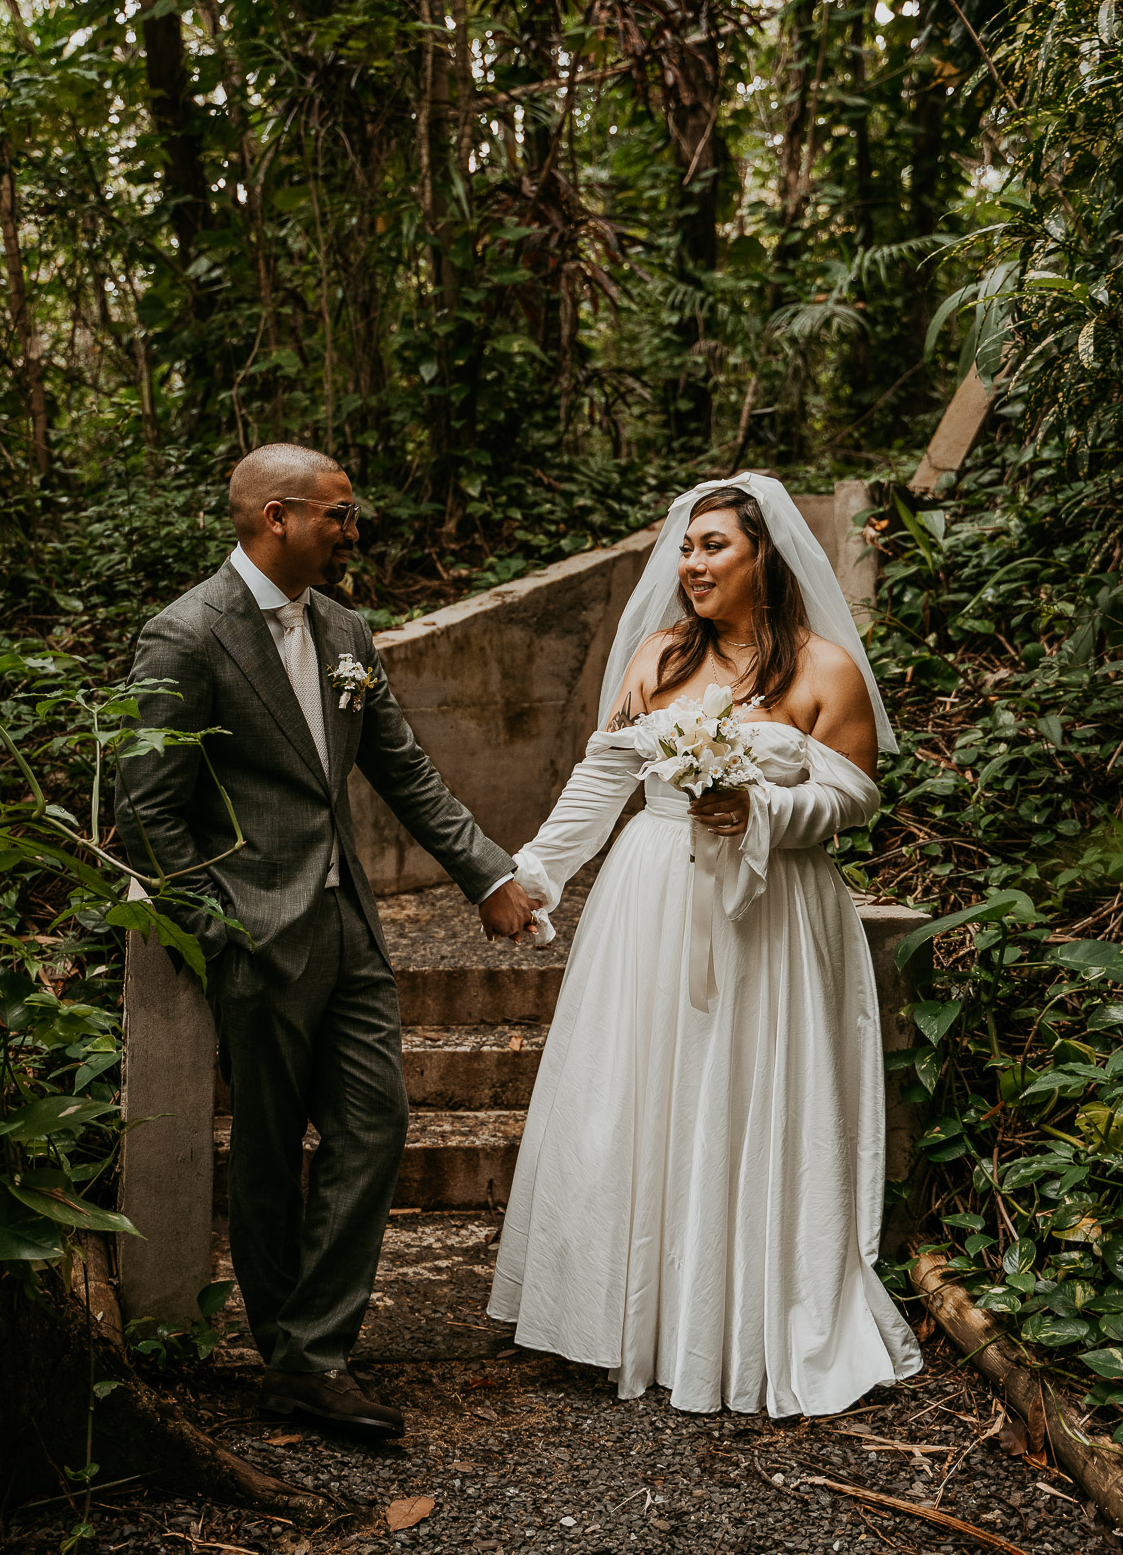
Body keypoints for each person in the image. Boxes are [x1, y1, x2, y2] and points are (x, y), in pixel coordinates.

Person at [115, 443, 535, 1440]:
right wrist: (219, 930)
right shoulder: (185, 635)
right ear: (274, 517)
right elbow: (147, 813)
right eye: (339, 515)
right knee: (265, 1155)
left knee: (375, 1124)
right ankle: (294, 1357)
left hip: (348, 927)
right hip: (254, 934)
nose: (354, 531)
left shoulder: (346, 627)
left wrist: (488, 872)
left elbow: (401, 767)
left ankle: (311, 1353)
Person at [487, 475, 923, 1417]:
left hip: (771, 910)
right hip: (651, 906)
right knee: (644, 1093)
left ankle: (750, 1318)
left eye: (714, 546)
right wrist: (532, 875)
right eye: (685, 547)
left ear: (764, 557)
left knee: (752, 1093)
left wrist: (759, 806)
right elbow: (601, 780)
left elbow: (853, 798)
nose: (691, 564)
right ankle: (632, 1317)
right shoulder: (654, 656)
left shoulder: (823, 670)